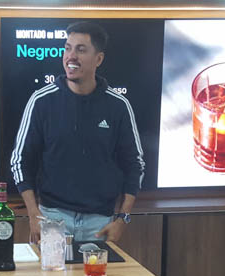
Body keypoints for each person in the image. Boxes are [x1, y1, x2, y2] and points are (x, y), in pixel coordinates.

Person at [10, 21, 144, 243]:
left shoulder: (118, 106)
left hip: (100, 223)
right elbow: (20, 160)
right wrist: (33, 213)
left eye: (81, 50)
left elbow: (135, 165)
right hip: (51, 218)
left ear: (98, 59)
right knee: (48, 270)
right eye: (67, 48)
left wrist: (123, 219)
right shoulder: (41, 101)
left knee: (99, 270)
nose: (71, 56)